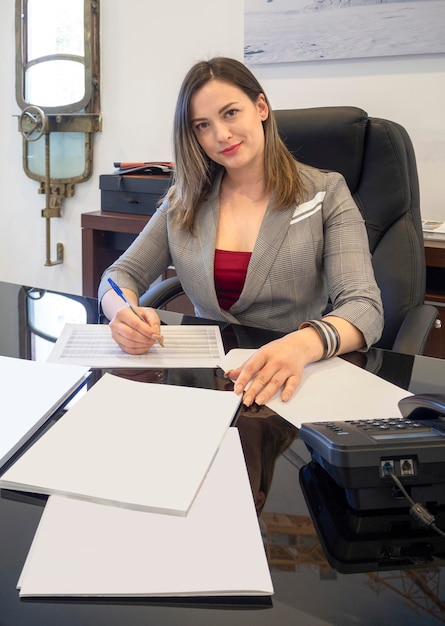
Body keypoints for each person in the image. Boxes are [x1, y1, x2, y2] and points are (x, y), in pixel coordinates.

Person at [99, 56, 383, 408]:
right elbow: (120, 273)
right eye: (202, 125)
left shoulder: (325, 193)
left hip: (292, 380)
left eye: (230, 113)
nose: (221, 135)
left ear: (260, 107)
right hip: (209, 383)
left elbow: (364, 307)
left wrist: (302, 344)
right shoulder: (185, 199)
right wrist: (123, 312)